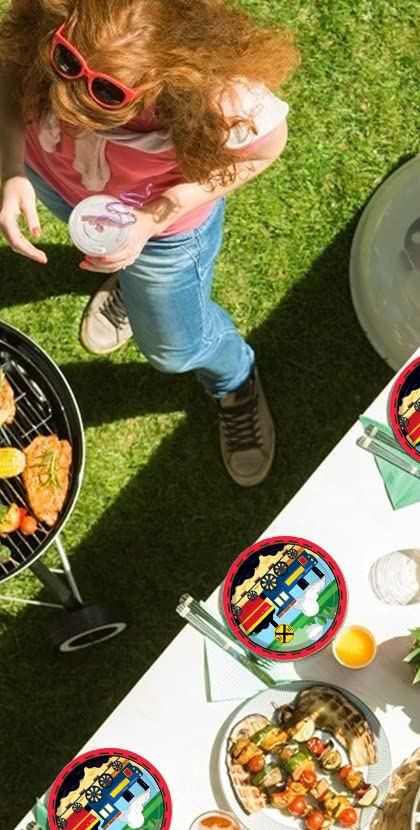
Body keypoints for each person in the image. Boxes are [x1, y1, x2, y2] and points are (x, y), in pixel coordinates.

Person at [0, 0, 299, 486]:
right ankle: (129, 281)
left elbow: (265, 150)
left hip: (161, 232)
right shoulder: (53, 15)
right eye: (64, 63)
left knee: (174, 350)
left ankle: (234, 381)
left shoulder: (222, 95)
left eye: (104, 94)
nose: (67, 101)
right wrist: (13, 170)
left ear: (171, 74)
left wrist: (154, 216)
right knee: (106, 252)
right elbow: (10, 72)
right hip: (54, 178)